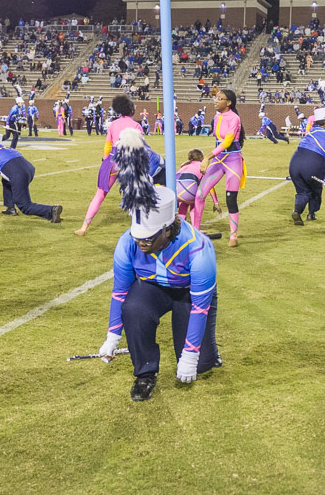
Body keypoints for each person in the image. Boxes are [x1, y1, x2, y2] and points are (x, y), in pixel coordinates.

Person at [97, 141, 219, 402]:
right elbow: (120, 293)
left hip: (188, 291)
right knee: (134, 308)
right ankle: (145, 372)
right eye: (137, 237)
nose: (141, 244)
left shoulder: (199, 250)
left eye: (148, 239)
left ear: (167, 230)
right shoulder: (127, 243)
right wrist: (112, 335)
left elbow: (200, 306)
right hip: (153, 287)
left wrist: (190, 355)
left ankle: (208, 352)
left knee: (200, 364)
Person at [75, 95, 142, 236]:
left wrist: (106, 162)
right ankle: (139, 228)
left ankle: (84, 227)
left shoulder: (113, 124)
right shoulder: (136, 126)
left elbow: (107, 146)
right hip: (129, 161)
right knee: (137, 195)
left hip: (112, 161)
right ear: (131, 109)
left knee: (100, 194)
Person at [191, 88, 246, 248]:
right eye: (216, 98)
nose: (215, 100)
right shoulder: (216, 116)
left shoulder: (234, 118)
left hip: (233, 160)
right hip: (219, 159)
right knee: (200, 194)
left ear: (228, 102)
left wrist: (207, 157)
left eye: (220, 98)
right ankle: (195, 231)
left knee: (231, 199)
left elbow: (227, 142)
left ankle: (233, 236)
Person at [0, 133, 63, 222]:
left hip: (19, 175)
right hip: (30, 169)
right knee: (6, 181)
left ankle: (51, 210)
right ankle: (10, 208)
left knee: (25, 206)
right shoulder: (9, 149)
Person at [289, 105, 325, 225]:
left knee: (303, 191)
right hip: (313, 163)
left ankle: (297, 210)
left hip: (294, 163)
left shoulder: (310, 132)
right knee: (316, 189)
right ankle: (311, 214)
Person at [174, 149, 220, 220]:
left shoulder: (185, 166)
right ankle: (195, 228)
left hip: (175, 191)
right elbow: (209, 186)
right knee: (197, 200)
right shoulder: (202, 166)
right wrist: (216, 202)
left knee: (184, 204)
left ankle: (181, 226)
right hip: (187, 191)